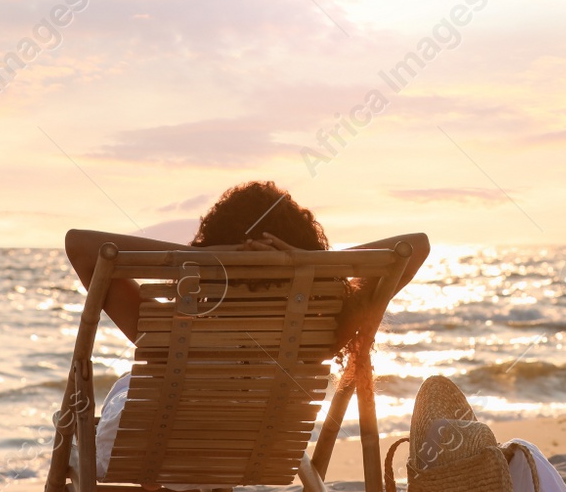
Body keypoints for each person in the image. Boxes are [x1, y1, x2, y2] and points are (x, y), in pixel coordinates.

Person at [65, 181, 429, 474]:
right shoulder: (317, 337)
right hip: (253, 459)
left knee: (116, 397)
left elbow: (80, 244)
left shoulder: (173, 337)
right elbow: (414, 247)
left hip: (138, 456)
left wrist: (208, 259)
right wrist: (309, 263)